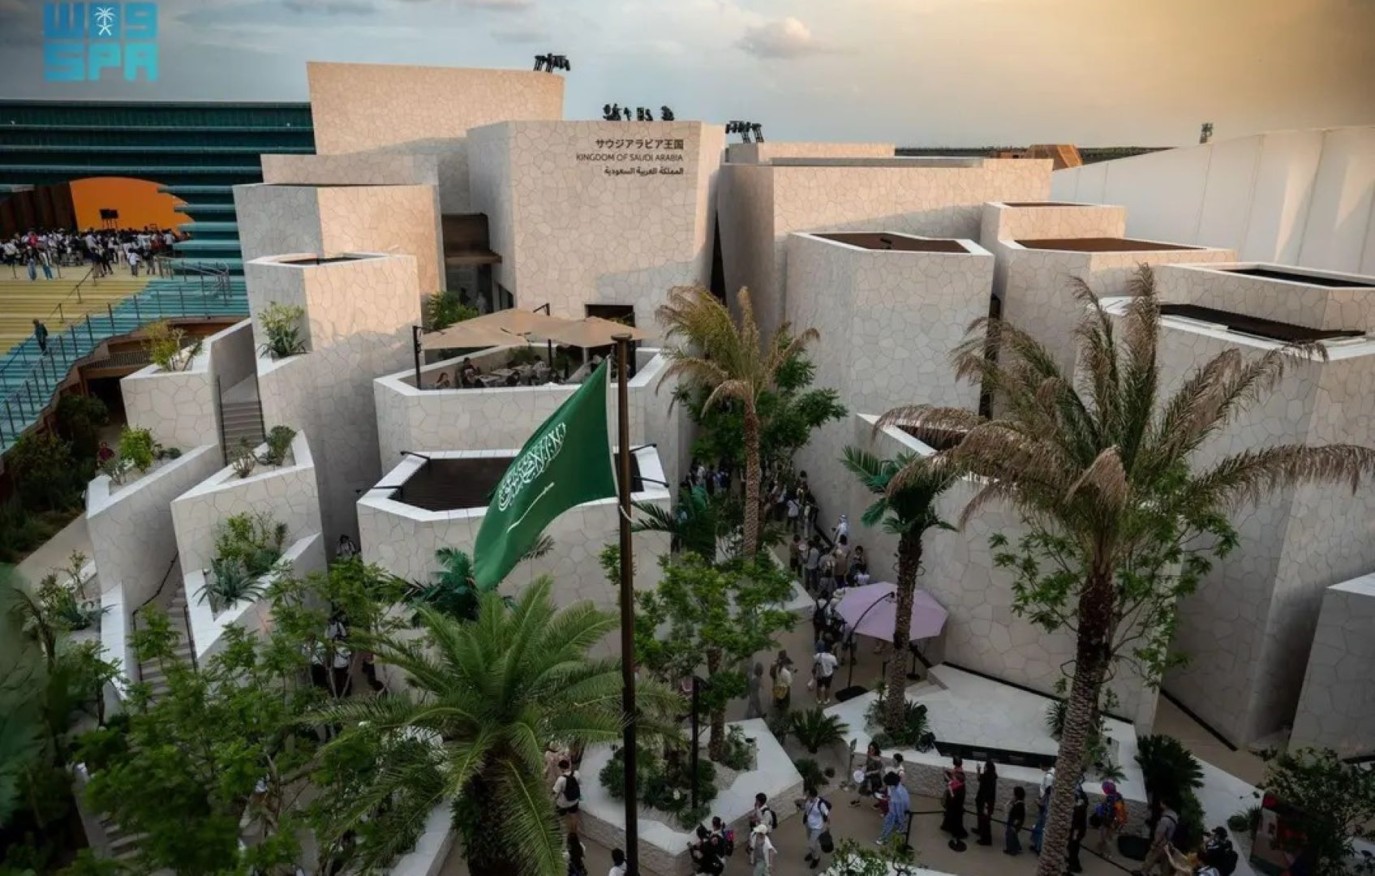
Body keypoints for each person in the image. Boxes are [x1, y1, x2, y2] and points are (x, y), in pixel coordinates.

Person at [1136, 800, 1180, 876]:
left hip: (1162, 843)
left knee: (1150, 857)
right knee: (1165, 863)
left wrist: (1154, 844)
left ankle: (1143, 873)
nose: (1160, 804)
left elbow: (1160, 834)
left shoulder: (1165, 819)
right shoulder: (1175, 816)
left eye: (1161, 803)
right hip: (1170, 843)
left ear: (1165, 805)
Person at [1096, 779, 1126, 860]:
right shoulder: (1118, 796)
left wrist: (1100, 807)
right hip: (1114, 821)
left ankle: (1107, 854)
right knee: (1108, 837)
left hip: (1109, 822)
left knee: (1106, 838)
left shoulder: (1110, 798)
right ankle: (1102, 849)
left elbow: (1108, 811)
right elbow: (1120, 809)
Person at [940, 756, 968, 840]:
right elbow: (953, 779)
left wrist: (946, 776)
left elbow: (952, 781)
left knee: (954, 813)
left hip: (956, 795)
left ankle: (955, 830)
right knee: (951, 811)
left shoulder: (958, 774)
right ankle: (948, 826)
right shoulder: (958, 771)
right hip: (957, 793)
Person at [878, 771, 910, 847]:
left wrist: (898, 816)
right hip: (896, 809)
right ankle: (900, 829)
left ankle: (884, 839)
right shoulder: (897, 787)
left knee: (889, 824)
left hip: (896, 811)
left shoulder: (898, 792)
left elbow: (899, 806)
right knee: (892, 823)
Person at [1030, 765, 1054, 853]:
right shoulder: (1052, 773)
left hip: (1044, 811)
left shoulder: (1049, 778)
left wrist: (1038, 801)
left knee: (1041, 828)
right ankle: (1037, 845)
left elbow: (1043, 802)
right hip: (1045, 810)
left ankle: (1038, 847)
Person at [553, 759, 581, 831]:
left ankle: (561, 832)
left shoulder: (560, 779)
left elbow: (555, 792)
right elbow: (579, 783)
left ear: (561, 768)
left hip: (563, 803)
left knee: (559, 817)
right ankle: (573, 832)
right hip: (574, 801)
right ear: (568, 766)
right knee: (573, 817)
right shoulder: (577, 773)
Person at [975, 759, 997, 845]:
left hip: (984, 801)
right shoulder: (993, 776)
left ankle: (986, 839)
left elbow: (979, 778)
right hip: (987, 801)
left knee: (985, 820)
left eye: (985, 767)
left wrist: (978, 770)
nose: (984, 768)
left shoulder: (987, 776)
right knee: (982, 818)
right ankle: (980, 830)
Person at [1068, 785, 1090, 873]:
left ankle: (1075, 866)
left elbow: (1076, 822)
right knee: (1072, 847)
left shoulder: (1078, 809)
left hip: (1076, 831)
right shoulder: (1081, 806)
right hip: (1078, 830)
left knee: (1073, 847)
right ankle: (1071, 861)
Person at [1004, 785, 1026, 855]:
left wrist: (1014, 826)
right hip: (1013, 821)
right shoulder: (1018, 803)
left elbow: (1018, 817)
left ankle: (1012, 850)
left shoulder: (1019, 805)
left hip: (1014, 823)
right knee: (1013, 836)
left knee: (1010, 835)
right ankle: (1017, 847)